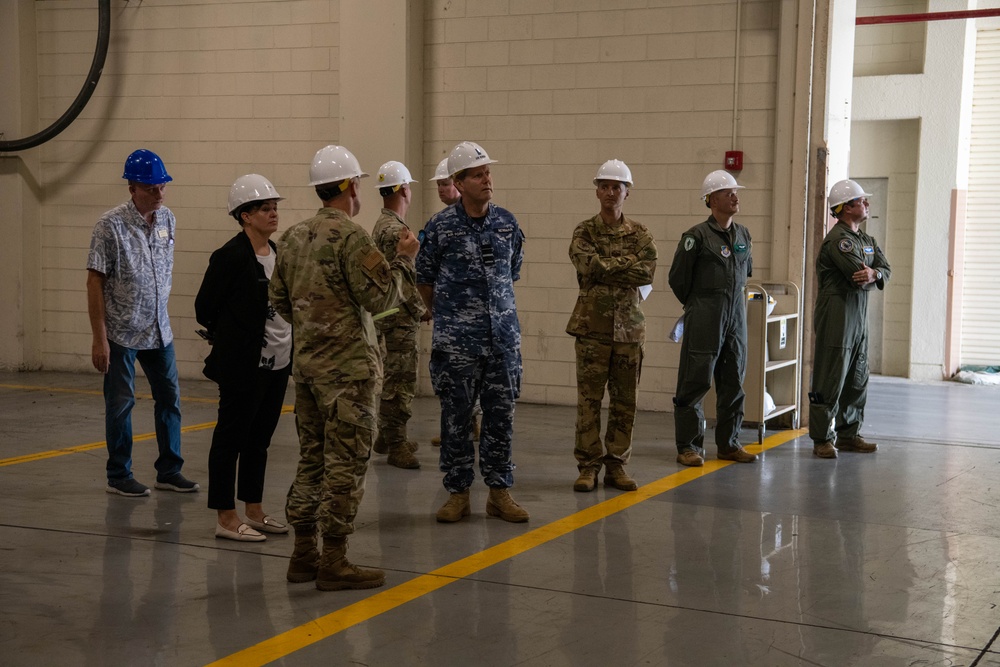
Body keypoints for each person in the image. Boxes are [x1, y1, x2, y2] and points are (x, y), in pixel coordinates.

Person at [270, 145, 419, 591]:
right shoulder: (353, 239)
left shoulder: (293, 237)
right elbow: (383, 300)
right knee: (347, 464)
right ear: (352, 187)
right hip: (349, 375)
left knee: (311, 459)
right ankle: (333, 560)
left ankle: (303, 554)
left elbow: (278, 300)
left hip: (308, 371)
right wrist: (406, 258)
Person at [416, 141, 529, 524]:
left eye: (488, 173)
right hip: (457, 345)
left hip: (502, 342)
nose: (487, 179)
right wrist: (447, 315)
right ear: (459, 183)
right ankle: (458, 493)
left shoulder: (507, 223)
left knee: (501, 418)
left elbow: (511, 273)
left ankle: (499, 492)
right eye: (478, 175)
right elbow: (424, 278)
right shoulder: (440, 227)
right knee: (456, 418)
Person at [86, 149, 199, 497]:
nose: (160, 194)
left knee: (170, 399)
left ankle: (169, 470)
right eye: (152, 188)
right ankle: (119, 475)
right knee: (121, 404)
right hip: (122, 332)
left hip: (158, 330)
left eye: (163, 186)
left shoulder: (168, 221)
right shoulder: (109, 226)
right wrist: (99, 338)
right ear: (133, 188)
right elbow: (95, 282)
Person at [195, 174, 292, 542]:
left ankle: (254, 509)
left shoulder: (279, 253)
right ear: (244, 216)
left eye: (274, 207)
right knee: (230, 438)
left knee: (259, 439)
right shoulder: (231, 256)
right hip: (244, 366)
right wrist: (235, 337)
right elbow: (205, 308)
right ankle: (225, 516)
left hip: (279, 362)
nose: (272, 213)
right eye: (264, 208)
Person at [566, 160, 657, 492]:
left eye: (616, 187)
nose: (609, 192)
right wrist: (625, 265)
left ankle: (616, 465)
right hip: (592, 328)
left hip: (629, 331)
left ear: (626, 192)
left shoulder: (641, 233)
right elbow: (587, 264)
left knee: (625, 401)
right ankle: (588, 466)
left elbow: (646, 272)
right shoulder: (584, 231)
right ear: (597, 191)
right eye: (604, 186)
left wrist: (607, 267)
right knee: (588, 401)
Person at [668, 170, 757, 467]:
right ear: (711, 199)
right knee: (696, 379)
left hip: (736, 317)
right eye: (728, 192)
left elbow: (745, 274)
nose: (735, 196)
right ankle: (689, 446)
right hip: (706, 315)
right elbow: (678, 279)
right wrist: (700, 305)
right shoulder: (696, 237)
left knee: (734, 380)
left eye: (735, 192)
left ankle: (729, 443)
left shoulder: (743, 235)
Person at [809, 179, 891, 458]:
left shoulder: (867, 240)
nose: (867, 204)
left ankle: (848, 434)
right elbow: (856, 275)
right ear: (845, 208)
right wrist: (871, 275)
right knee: (831, 375)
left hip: (858, 316)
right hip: (837, 314)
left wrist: (876, 274)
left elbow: (884, 269)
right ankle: (822, 438)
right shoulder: (838, 241)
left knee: (857, 375)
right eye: (861, 201)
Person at [370, 161, 427, 470]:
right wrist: (421, 309)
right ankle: (395, 443)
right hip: (397, 315)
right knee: (400, 379)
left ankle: (386, 435)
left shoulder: (382, 223)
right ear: (405, 189)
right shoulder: (396, 230)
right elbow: (399, 280)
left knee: (394, 376)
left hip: (388, 312)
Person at [426, 157, 481, 447]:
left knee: (473, 379)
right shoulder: (440, 225)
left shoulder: (483, 222)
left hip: (475, 321)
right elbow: (426, 273)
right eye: (438, 185)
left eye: (445, 184)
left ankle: (472, 424)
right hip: (450, 320)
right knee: (451, 380)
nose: (441, 189)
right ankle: (460, 426)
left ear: (458, 185)